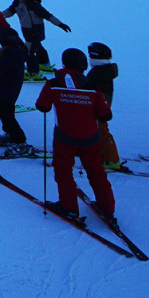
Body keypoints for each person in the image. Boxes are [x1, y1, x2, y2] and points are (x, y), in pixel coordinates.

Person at [36, 47, 116, 221]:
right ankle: (107, 208)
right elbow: (106, 115)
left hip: (64, 137)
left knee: (63, 171)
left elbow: (42, 106)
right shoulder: (91, 86)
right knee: (96, 172)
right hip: (90, 138)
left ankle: (69, 207)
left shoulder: (54, 83)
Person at [1, 0, 71, 76]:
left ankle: (33, 72)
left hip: (36, 30)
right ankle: (44, 64)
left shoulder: (34, 5)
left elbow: (48, 16)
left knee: (29, 51)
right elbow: (9, 12)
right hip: (27, 30)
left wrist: (60, 24)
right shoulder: (17, 4)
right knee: (38, 46)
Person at [83, 42, 125, 170]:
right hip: (100, 105)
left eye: (90, 55)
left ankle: (112, 159)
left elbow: (90, 88)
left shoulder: (99, 73)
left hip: (99, 107)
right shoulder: (102, 70)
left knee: (102, 131)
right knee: (95, 130)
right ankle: (99, 152)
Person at [0, 23, 30, 146]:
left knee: (7, 115)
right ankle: (10, 134)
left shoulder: (9, 54)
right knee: (4, 113)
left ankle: (20, 141)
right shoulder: (16, 51)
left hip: (6, 90)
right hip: (8, 88)